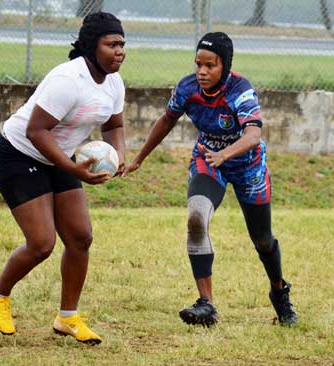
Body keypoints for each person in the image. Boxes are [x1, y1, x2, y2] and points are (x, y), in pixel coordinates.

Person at [124, 32, 297, 327]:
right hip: (209, 161)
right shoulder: (187, 88)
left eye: (210, 66)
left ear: (225, 66)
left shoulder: (241, 91)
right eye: (198, 64)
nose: (202, 72)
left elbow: (253, 135)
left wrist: (226, 154)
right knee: (196, 221)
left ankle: (279, 293)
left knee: (263, 240)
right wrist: (140, 157)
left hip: (247, 167)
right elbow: (166, 119)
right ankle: (207, 305)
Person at [0, 12, 126, 345]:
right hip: (19, 154)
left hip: (60, 157)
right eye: (111, 44)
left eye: (122, 44)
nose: (119, 51)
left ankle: (68, 317)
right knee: (42, 244)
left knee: (80, 237)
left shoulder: (114, 82)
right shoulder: (67, 79)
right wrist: (72, 167)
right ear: (92, 46)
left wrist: (119, 155)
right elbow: (36, 130)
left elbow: (114, 126)